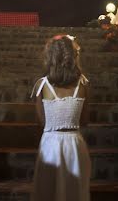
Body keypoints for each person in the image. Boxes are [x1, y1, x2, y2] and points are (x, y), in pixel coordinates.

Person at [31, 34, 91, 201]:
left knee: (48, 191)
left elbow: (41, 121)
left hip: (50, 144)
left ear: (50, 57)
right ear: (73, 57)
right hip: (74, 144)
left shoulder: (42, 85)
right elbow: (85, 120)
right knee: (74, 192)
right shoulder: (83, 84)